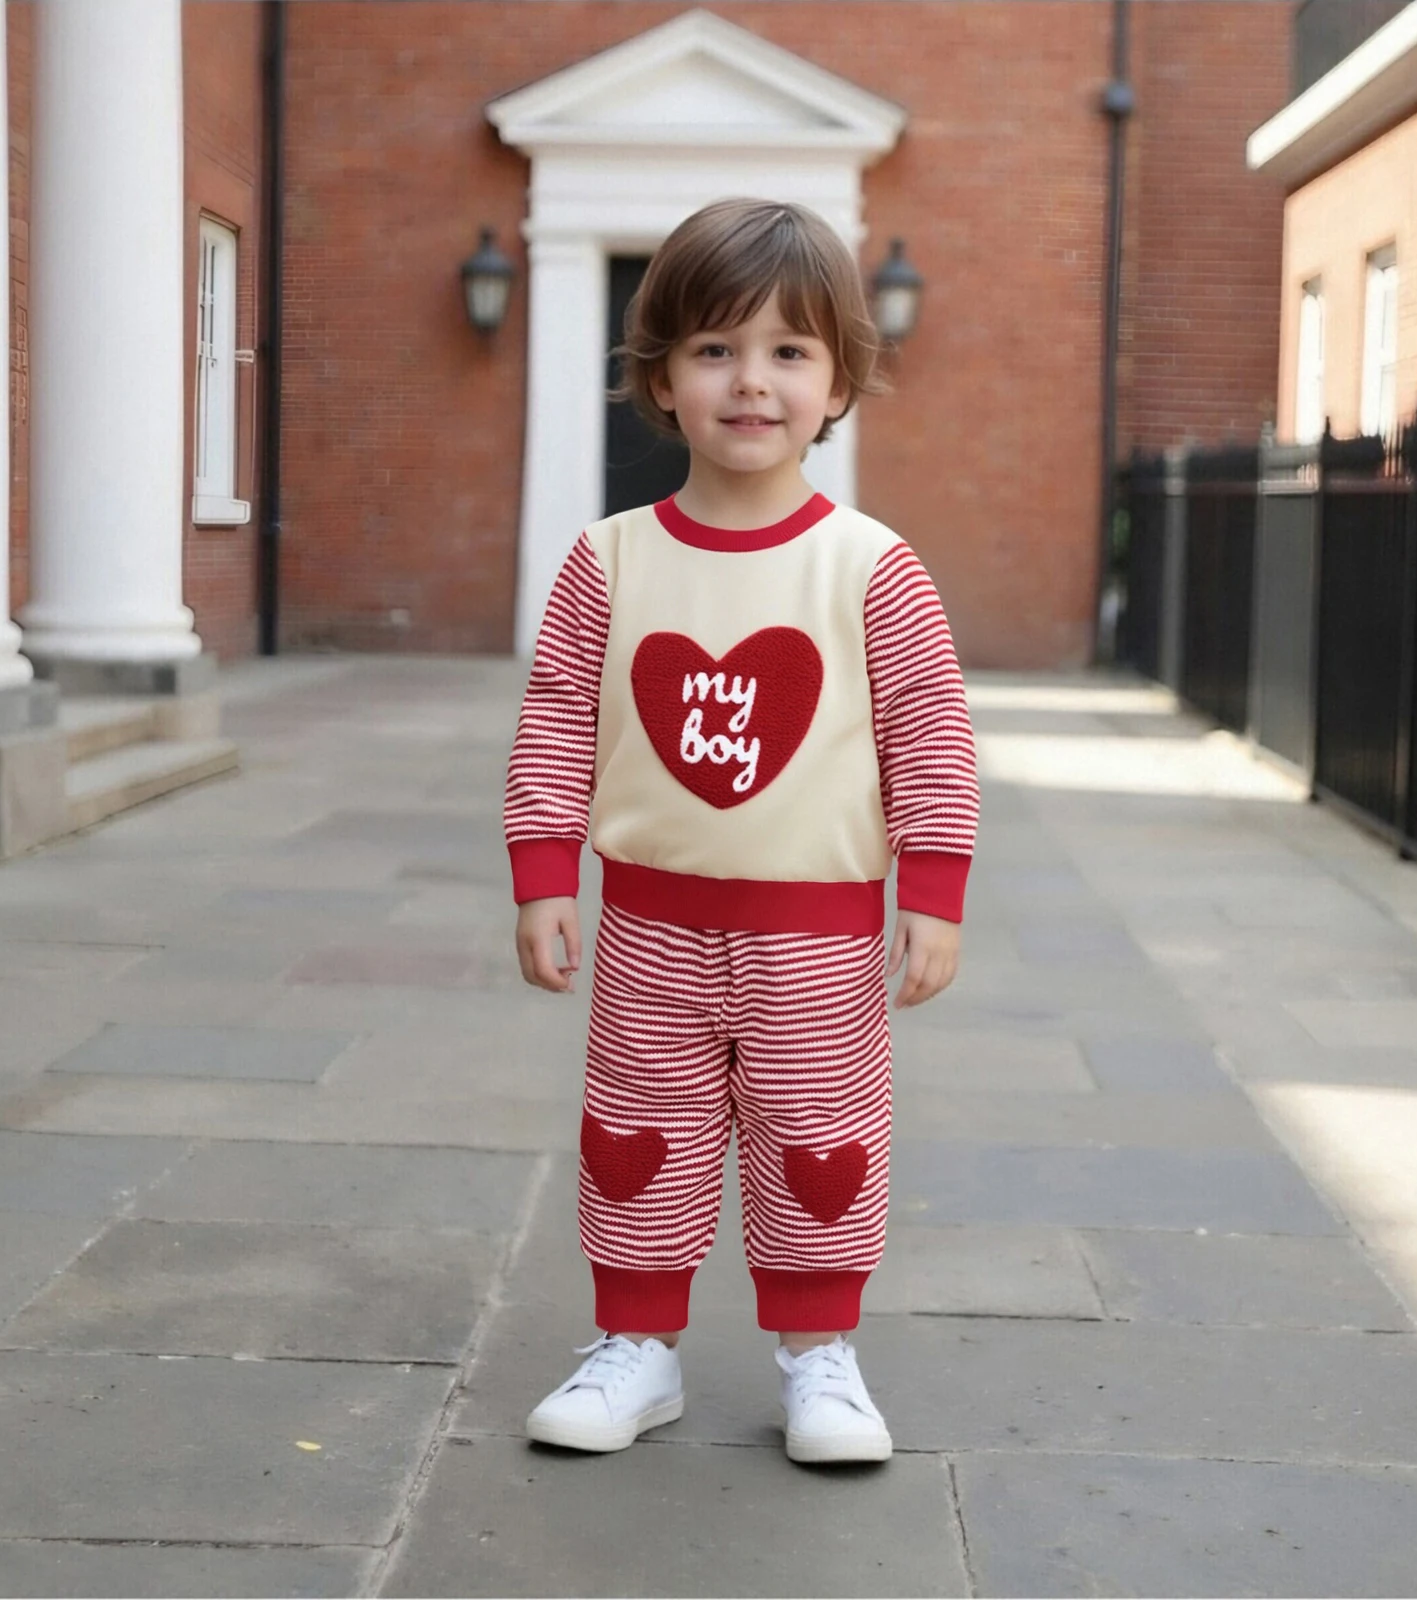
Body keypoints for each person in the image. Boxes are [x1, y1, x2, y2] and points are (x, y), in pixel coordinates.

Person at [502, 197, 979, 1465]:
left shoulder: (873, 568)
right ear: (659, 375)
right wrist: (544, 871)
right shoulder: (607, 561)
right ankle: (635, 1353)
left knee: (818, 1144)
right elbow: (555, 718)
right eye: (714, 349)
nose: (749, 382)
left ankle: (821, 1361)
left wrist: (933, 887)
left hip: (816, 943)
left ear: (837, 382)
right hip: (650, 927)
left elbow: (927, 727)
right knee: (633, 1141)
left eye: (786, 352)